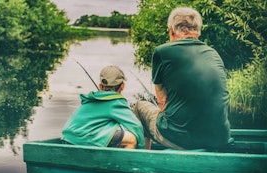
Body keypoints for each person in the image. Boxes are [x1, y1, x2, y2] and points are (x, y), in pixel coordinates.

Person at [133, 7, 231, 150]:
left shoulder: (162, 51)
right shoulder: (213, 53)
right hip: (220, 137)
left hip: (183, 140)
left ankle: (144, 160)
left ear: (171, 30)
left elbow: (162, 102)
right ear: (198, 31)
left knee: (139, 107)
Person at [61, 65, 145, 149]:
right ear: (122, 86)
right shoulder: (116, 102)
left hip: (67, 136)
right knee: (131, 139)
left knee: (114, 133)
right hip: (83, 138)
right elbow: (136, 126)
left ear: (100, 86)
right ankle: (127, 162)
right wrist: (141, 149)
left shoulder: (92, 97)